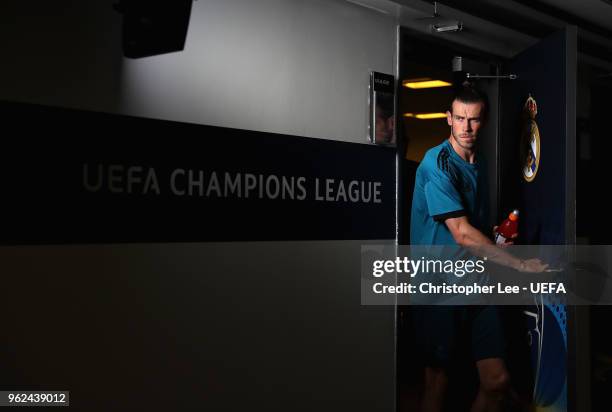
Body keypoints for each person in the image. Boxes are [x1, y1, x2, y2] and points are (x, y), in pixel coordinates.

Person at [409, 86, 548, 412]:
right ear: (449, 119)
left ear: (483, 120)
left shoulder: (479, 161)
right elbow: (461, 234)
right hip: (438, 288)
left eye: (473, 120)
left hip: (476, 285)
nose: (466, 128)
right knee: (438, 381)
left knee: (496, 381)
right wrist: (519, 264)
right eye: (459, 119)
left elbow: (474, 228)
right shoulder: (436, 163)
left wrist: (495, 236)